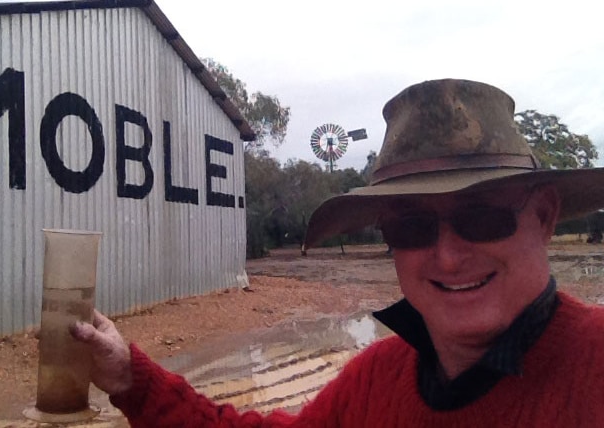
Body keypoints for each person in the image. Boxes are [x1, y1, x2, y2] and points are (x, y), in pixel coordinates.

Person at [71, 79, 604, 427]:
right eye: (412, 226)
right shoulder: (378, 380)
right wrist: (130, 378)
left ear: (544, 215)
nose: (446, 256)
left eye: (481, 216)